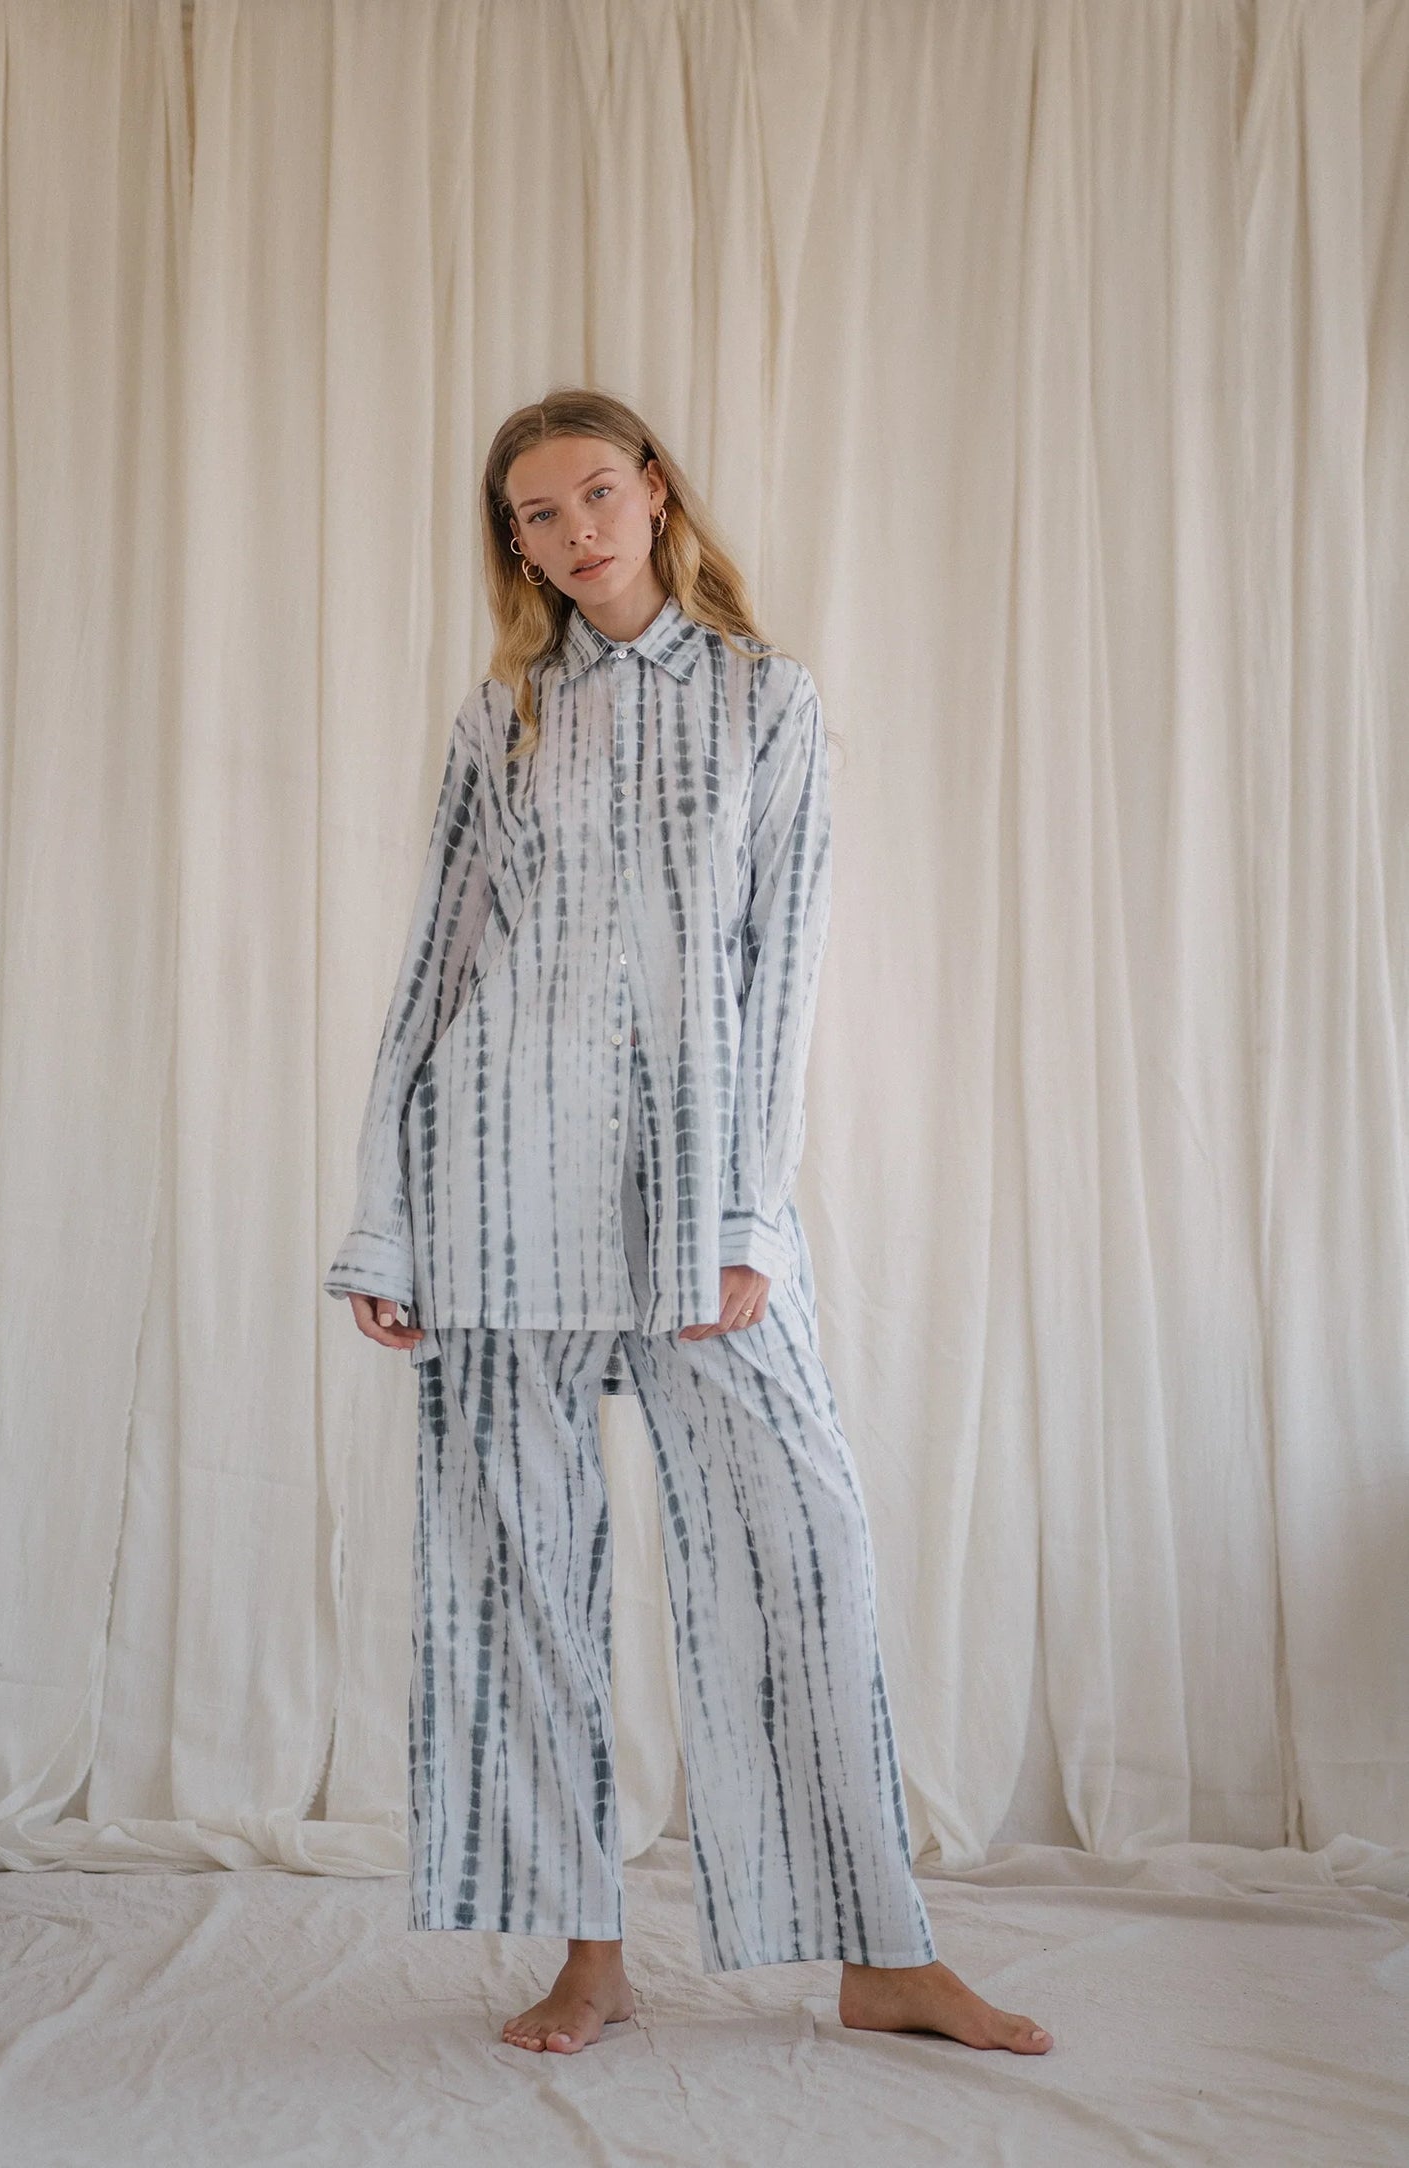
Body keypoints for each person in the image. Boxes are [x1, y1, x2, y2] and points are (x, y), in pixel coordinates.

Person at [323, 387, 1052, 2059]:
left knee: (805, 1540)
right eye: (537, 514)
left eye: (595, 492)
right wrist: (385, 1222)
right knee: (523, 1581)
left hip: (690, 1209)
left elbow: (777, 974)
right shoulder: (502, 717)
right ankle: (588, 1958)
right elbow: (435, 967)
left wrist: (746, 1220)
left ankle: (878, 1952)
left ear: (654, 493)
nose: (574, 530)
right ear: (515, 547)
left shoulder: (761, 701)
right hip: (494, 1183)